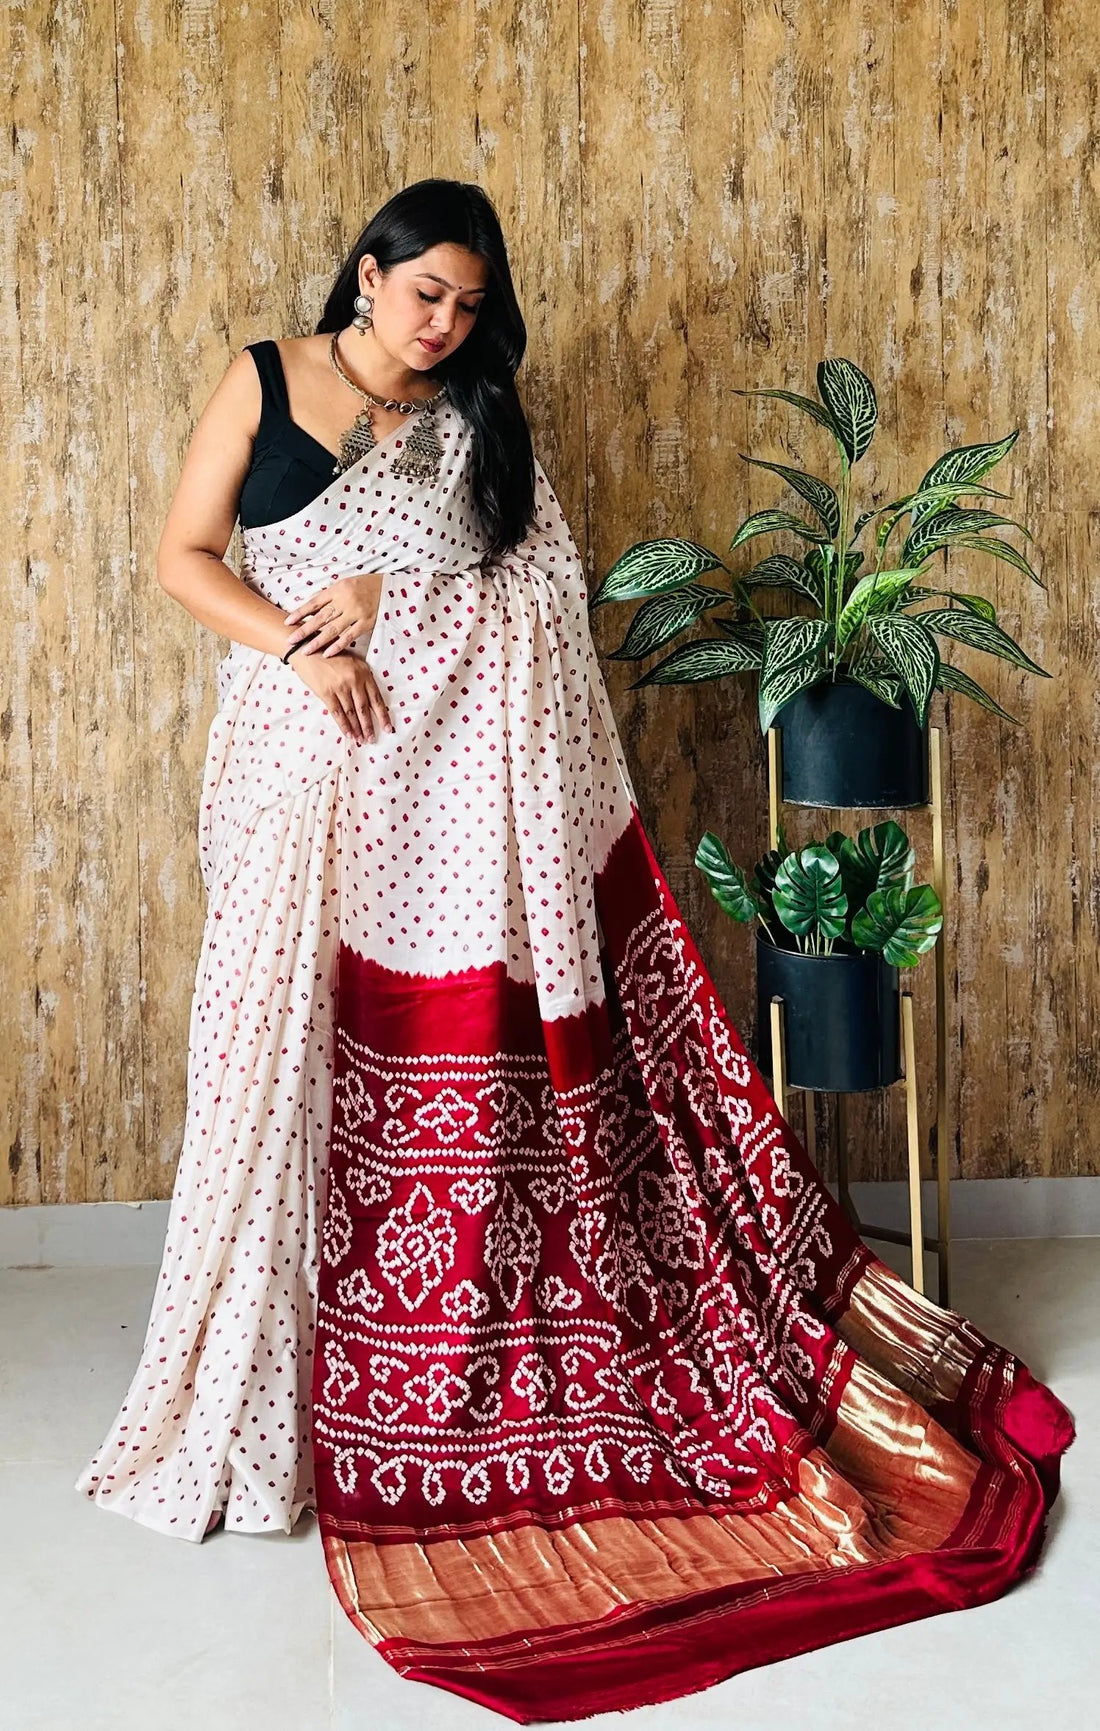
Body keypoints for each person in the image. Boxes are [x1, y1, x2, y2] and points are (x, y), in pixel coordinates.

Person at [76, 178, 1074, 1722]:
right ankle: (259, 1399)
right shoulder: (265, 379)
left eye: (471, 308)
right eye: (427, 297)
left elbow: (536, 598)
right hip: (296, 785)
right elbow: (183, 555)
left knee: (468, 1066)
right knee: (270, 1075)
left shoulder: (484, 426)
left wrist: (392, 590)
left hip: (461, 813)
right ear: (370, 271)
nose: (447, 326)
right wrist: (298, 634)